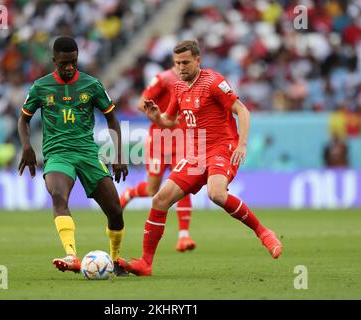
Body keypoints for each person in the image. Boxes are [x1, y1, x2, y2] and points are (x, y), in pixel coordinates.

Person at [118, 40, 283, 276]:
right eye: (177, 64)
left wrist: (242, 145)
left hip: (221, 148)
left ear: (198, 60)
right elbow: (170, 120)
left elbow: (242, 111)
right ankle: (146, 263)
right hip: (195, 154)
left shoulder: (214, 81)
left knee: (216, 193)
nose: (181, 68)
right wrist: (156, 117)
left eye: (185, 62)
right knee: (160, 200)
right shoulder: (178, 87)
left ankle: (264, 233)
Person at [17, 36, 129, 275]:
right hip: (58, 154)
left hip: (88, 154)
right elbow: (23, 119)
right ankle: (71, 255)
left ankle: (116, 260)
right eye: (64, 63)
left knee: (115, 211)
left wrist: (119, 155)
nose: (69, 67)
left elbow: (112, 119)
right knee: (58, 196)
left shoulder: (92, 85)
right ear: (54, 60)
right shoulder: (40, 87)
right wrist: (27, 146)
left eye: (73, 62)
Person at [119, 66, 196, 252]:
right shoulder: (163, 79)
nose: (183, 65)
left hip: (182, 142)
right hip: (159, 142)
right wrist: (164, 115)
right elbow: (140, 103)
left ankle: (184, 236)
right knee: (153, 189)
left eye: (186, 61)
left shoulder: (198, 82)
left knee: (182, 185)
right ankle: (129, 194)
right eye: (180, 61)